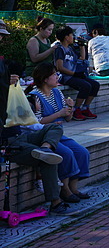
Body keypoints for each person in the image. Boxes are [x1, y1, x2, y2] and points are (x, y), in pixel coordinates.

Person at [0, 70, 72, 215]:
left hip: (21, 136)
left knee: (54, 128)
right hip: (8, 144)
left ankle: (45, 148)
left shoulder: (13, 96)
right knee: (49, 160)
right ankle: (55, 202)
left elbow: (29, 122)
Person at [25, 62, 92, 203]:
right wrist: (59, 114)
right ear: (45, 78)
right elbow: (37, 122)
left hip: (59, 135)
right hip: (45, 137)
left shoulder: (57, 92)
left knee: (82, 152)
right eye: (54, 74)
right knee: (66, 154)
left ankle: (74, 188)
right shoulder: (34, 96)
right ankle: (65, 190)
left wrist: (70, 108)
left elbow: (67, 118)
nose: (57, 77)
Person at [54, 26, 99, 120]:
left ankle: (85, 108)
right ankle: (76, 109)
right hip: (65, 77)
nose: (73, 37)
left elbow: (82, 58)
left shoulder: (70, 49)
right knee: (86, 86)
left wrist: (82, 45)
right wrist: (74, 74)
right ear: (66, 37)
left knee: (95, 84)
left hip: (74, 75)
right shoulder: (60, 49)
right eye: (71, 35)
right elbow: (59, 67)